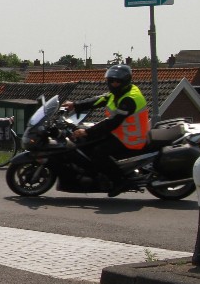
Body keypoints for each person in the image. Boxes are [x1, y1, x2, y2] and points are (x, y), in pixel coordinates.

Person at [62, 64, 150, 197]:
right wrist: (75, 105)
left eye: (117, 81)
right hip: (121, 132)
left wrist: (87, 132)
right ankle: (95, 174)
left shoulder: (129, 99)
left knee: (98, 152)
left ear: (125, 81)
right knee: (87, 142)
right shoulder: (118, 94)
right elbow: (99, 100)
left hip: (131, 138)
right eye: (111, 81)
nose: (114, 84)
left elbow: (112, 122)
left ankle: (119, 181)